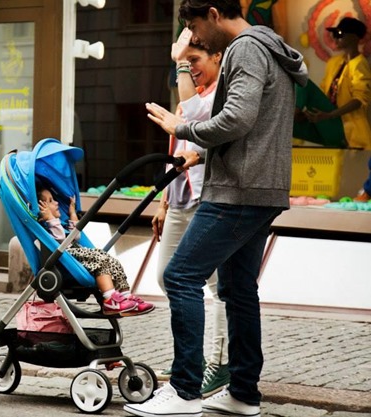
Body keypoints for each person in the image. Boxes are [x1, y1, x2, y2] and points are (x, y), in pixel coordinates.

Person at [126, 1, 308, 416]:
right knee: (237, 290)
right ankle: (243, 394)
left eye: (193, 26)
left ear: (213, 12)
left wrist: (182, 129)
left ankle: (185, 391)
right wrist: (202, 156)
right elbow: (256, 129)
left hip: (237, 191)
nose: (194, 36)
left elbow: (238, 119)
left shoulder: (246, 48)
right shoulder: (271, 46)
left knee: (180, 276)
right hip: (260, 188)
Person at [151, 28, 230, 398]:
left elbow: (199, 134)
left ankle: (218, 363)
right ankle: (192, 360)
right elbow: (177, 143)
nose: (191, 69)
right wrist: (163, 203)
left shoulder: (220, 94)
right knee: (167, 276)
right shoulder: (194, 94)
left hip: (207, 196)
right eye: (187, 63)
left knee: (215, 286)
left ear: (217, 57)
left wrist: (181, 63)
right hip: (181, 197)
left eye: (196, 61)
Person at [37, 187, 154, 316]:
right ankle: (110, 299)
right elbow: (59, 240)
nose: (56, 202)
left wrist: (72, 213)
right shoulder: (47, 227)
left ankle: (125, 295)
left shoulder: (59, 224)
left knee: (112, 261)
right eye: (50, 201)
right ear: (42, 208)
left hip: (75, 255)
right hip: (66, 259)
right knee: (100, 259)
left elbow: (75, 236)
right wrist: (50, 219)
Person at [304, 17, 371, 202]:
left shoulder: (360, 65)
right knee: (334, 179)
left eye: (340, 34)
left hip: (355, 134)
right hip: (333, 130)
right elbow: (325, 92)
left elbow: (360, 99)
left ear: (356, 38)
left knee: (351, 179)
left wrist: (330, 114)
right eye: (334, 34)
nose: (336, 38)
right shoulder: (335, 63)